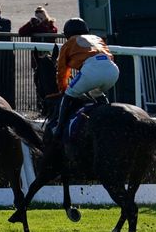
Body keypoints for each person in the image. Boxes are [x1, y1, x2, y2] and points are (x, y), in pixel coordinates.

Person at [50, 18, 118, 151]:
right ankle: (107, 112)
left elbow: (62, 70)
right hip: (113, 70)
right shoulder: (97, 38)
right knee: (96, 92)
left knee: (68, 94)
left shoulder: (69, 42)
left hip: (92, 70)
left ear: (67, 34)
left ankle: (59, 128)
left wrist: (63, 89)